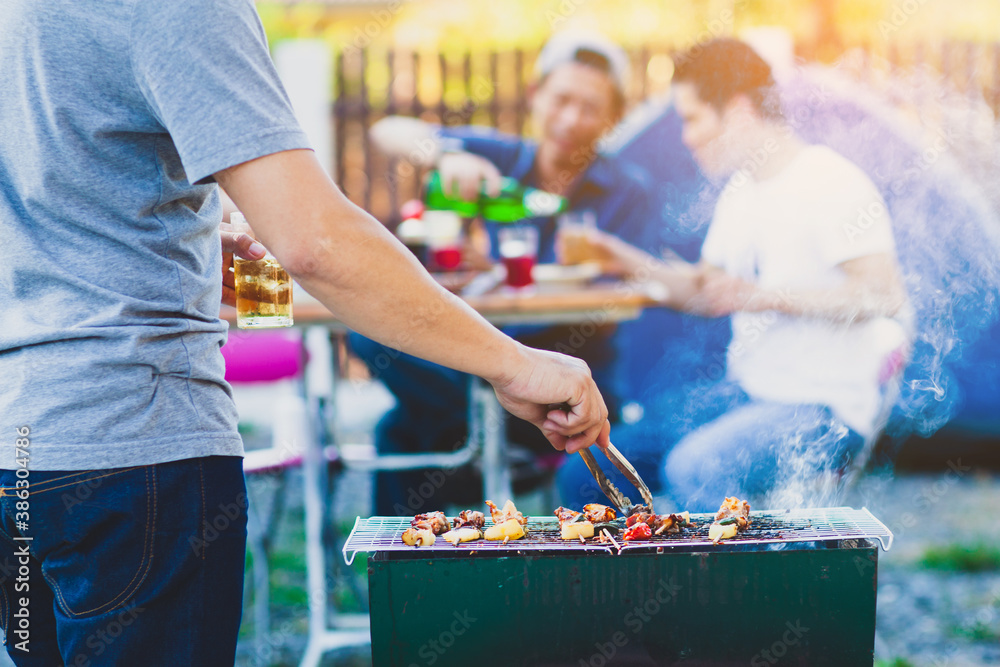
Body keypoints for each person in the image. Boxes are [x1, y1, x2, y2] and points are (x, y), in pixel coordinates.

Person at [0, 3, 611, 665]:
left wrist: (182, 251)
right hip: (134, 455)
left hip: (22, 453)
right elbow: (314, 243)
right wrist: (511, 363)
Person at [557, 38, 910, 512]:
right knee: (590, 465)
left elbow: (882, 296)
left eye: (693, 118)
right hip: (749, 393)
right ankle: (622, 582)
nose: (686, 136)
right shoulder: (742, 191)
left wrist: (764, 296)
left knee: (695, 467)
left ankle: (735, 585)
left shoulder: (830, 183)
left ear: (740, 111)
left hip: (826, 409)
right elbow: (707, 292)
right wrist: (616, 256)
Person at [351, 31, 655, 514]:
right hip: (483, 365)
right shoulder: (497, 155)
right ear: (536, 95)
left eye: (591, 107)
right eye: (562, 99)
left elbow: (622, 288)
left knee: (402, 429)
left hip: (566, 385)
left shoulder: (628, 191)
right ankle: (407, 572)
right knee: (368, 331)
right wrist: (446, 154)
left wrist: (496, 268)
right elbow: (387, 130)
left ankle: (482, 439)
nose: (571, 119)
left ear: (613, 117)